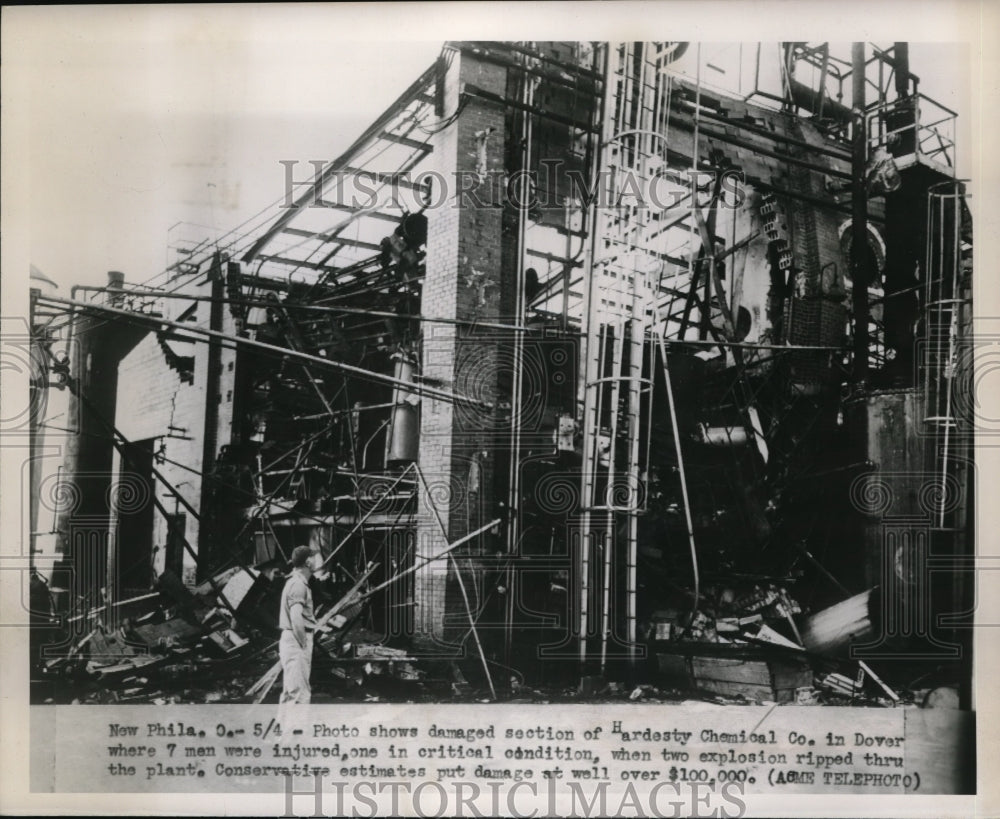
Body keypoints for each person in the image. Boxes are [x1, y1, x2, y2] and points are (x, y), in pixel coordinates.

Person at [279, 546, 319, 707]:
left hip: (291, 639)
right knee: (300, 694)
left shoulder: (294, 582)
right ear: (308, 561)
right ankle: (297, 731)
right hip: (296, 640)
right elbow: (296, 618)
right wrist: (303, 643)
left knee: (290, 692)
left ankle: (283, 731)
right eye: (314, 557)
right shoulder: (298, 585)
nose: (317, 561)